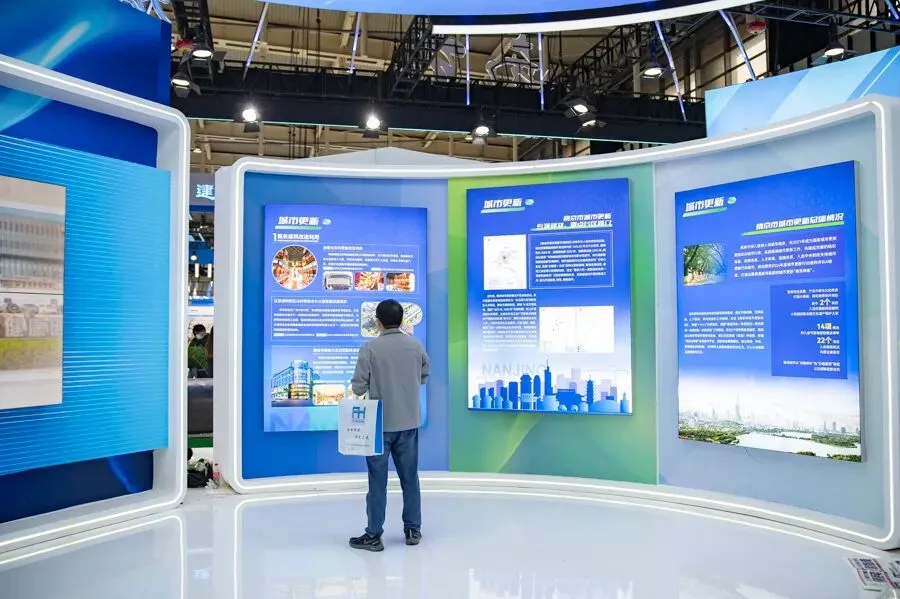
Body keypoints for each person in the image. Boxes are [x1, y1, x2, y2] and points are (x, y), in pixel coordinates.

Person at [348, 299, 430, 552]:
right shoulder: (415, 346)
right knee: (410, 478)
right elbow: (424, 376)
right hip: (408, 423)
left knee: (377, 482)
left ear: (378, 322)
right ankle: (413, 529)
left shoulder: (369, 349)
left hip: (379, 425)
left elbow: (358, 387)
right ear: (402, 320)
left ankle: (374, 535)